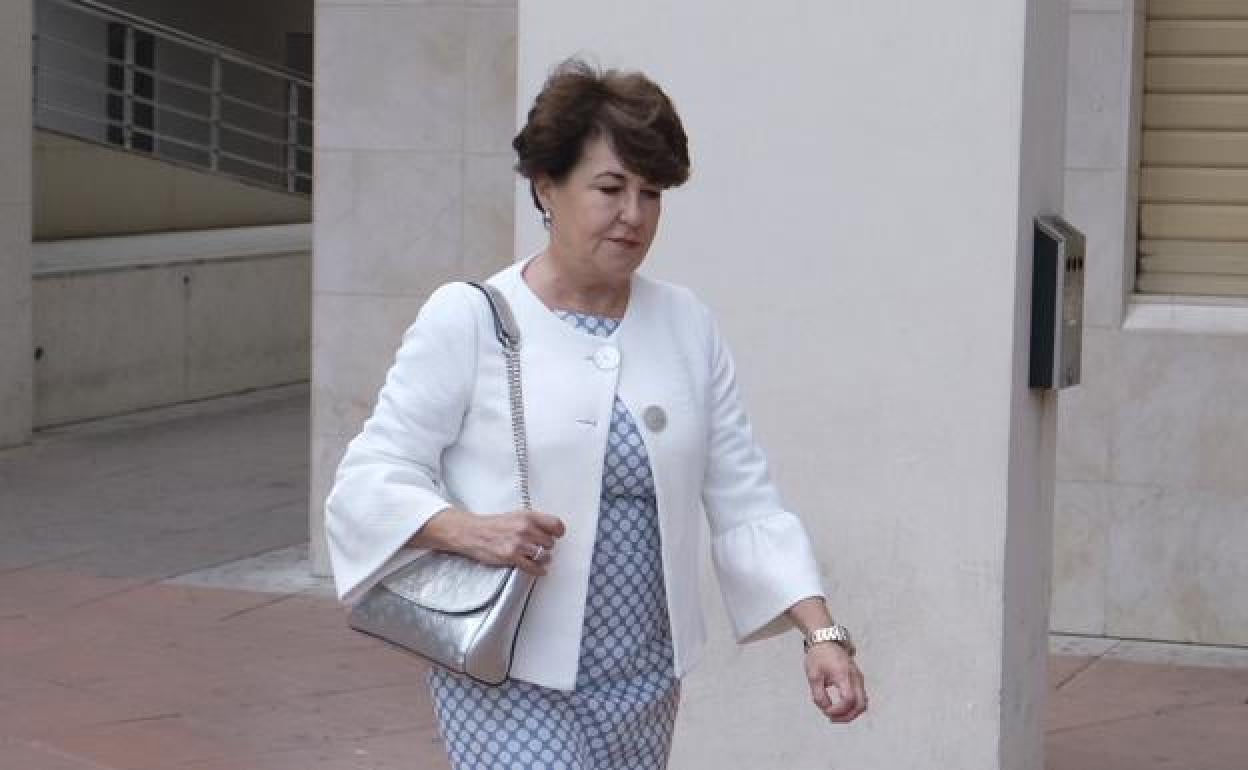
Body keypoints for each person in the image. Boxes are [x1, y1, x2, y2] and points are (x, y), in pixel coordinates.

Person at [325, 58, 867, 769]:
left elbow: (744, 494)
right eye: (610, 188)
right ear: (546, 187)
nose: (633, 215)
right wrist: (470, 530)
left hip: (644, 677)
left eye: (651, 193)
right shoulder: (469, 317)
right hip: (507, 672)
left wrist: (820, 634)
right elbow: (368, 481)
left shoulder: (686, 323)